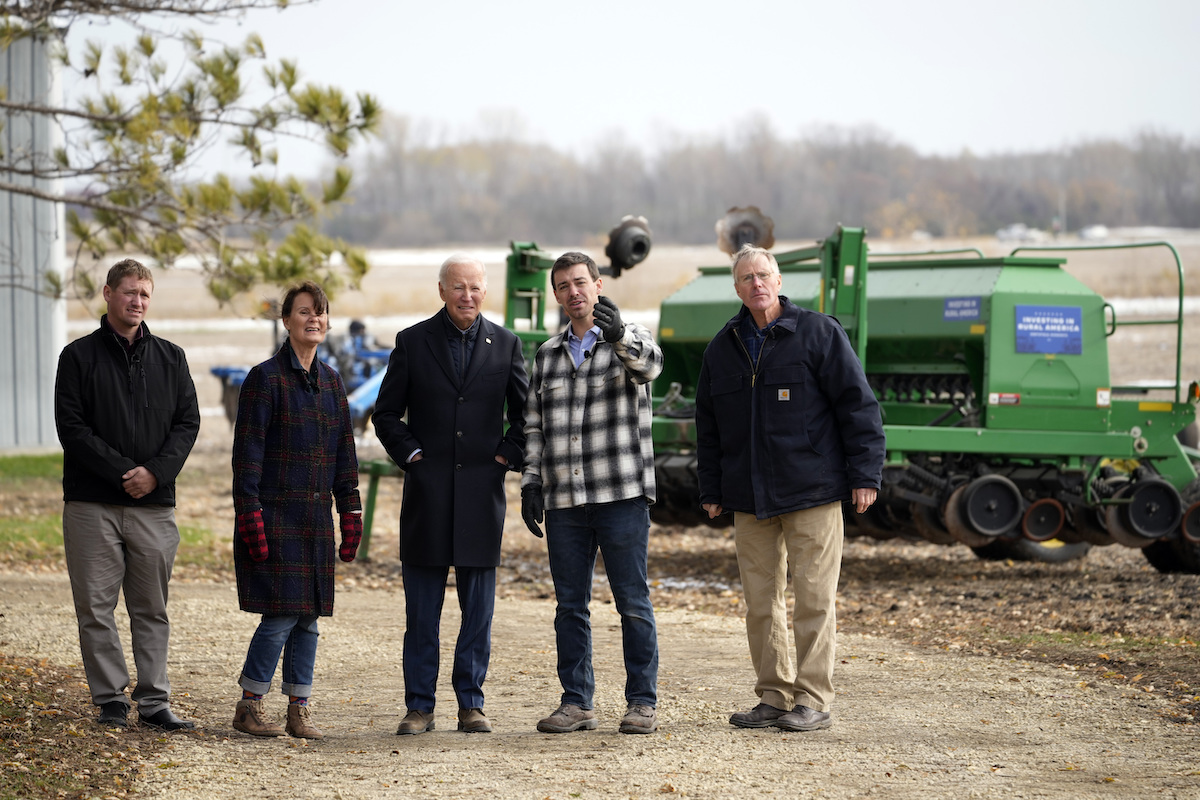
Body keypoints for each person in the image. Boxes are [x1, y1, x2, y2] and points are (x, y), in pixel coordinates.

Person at [695, 244, 885, 733]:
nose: (756, 284)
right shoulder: (722, 348)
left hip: (812, 491)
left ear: (778, 280)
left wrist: (865, 474)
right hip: (748, 498)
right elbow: (709, 428)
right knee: (761, 602)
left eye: (764, 274)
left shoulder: (819, 333)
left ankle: (814, 699)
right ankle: (774, 696)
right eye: (746, 278)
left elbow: (857, 406)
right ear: (735, 288)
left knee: (814, 599)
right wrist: (711, 487)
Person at [373, 254, 528, 735]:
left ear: (486, 291)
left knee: (478, 612)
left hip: (483, 496)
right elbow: (385, 415)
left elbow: (528, 417)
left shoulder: (506, 345)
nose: (467, 295)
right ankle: (419, 706)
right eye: (458, 287)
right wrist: (413, 456)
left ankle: (471, 704)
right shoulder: (413, 342)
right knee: (421, 611)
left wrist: (505, 456)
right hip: (428, 494)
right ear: (441, 290)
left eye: (476, 287)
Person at [54, 258, 201, 731]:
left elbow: (187, 424)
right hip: (90, 505)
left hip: (153, 507)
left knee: (151, 608)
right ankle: (110, 699)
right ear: (108, 293)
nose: (137, 301)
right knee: (95, 607)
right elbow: (72, 429)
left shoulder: (172, 357)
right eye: (129, 292)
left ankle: (155, 701)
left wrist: (154, 475)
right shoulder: (77, 357)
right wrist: (124, 473)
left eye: (144, 294)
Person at [520, 251, 662, 735]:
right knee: (569, 606)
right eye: (563, 285)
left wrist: (620, 334)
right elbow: (533, 425)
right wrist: (531, 481)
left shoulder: (630, 337)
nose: (574, 292)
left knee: (633, 603)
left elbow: (650, 369)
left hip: (620, 494)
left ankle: (642, 702)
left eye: (581, 282)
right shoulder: (545, 354)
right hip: (565, 503)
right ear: (556, 295)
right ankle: (576, 702)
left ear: (598, 285)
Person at [230, 280, 363, 740]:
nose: (314, 319)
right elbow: (245, 459)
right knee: (281, 615)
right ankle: (249, 706)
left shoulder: (331, 381)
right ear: (286, 320)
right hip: (274, 517)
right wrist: (250, 517)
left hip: (315, 522)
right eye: (303, 311)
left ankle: (297, 709)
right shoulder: (264, 379)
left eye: (320, 312)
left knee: (309, 618)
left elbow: (345, 453)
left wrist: (351, 512)